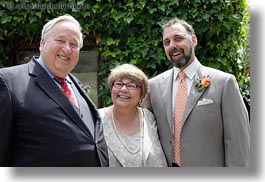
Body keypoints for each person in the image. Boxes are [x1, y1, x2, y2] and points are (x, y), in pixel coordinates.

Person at [0, 14, 108, 167]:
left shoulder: (76, 85)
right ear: (42, 43)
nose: (67, 49)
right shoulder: (9, 81)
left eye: (74, 44)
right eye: (60, 41)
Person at [141, 17, 250, 167]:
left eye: (178, 38)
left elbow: (238, 144)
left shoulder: (224, 83)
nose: (172, 45)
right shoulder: (153, 87)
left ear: (194, 40)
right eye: (167, 42)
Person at [98, 63, 167, 167]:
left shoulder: (150, 118)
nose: (124, 89)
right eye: (119, 84)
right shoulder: (96, 119)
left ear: (142, 95)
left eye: (131, 85)